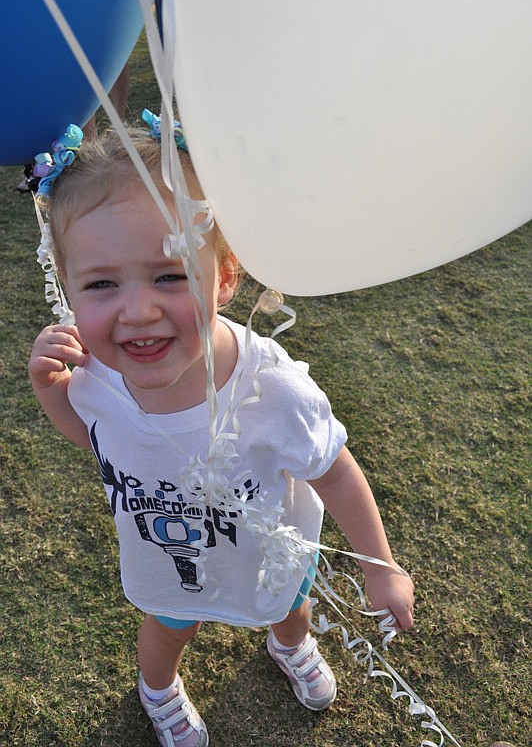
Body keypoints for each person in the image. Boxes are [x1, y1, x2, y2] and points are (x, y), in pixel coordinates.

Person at [28, 119, 415, 747]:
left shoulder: (272, 389)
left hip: (268, 552)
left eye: (170, 275)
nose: (138, 309)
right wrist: (53, 391)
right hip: (169, 557)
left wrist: (381, 564)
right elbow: (94, 436)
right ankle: (159, 690)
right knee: (167, 629)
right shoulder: (95, 374)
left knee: (290, 607)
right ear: (66, 288)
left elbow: (335, 469)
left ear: (225, 276)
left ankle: (290, 647)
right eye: (101, 284)